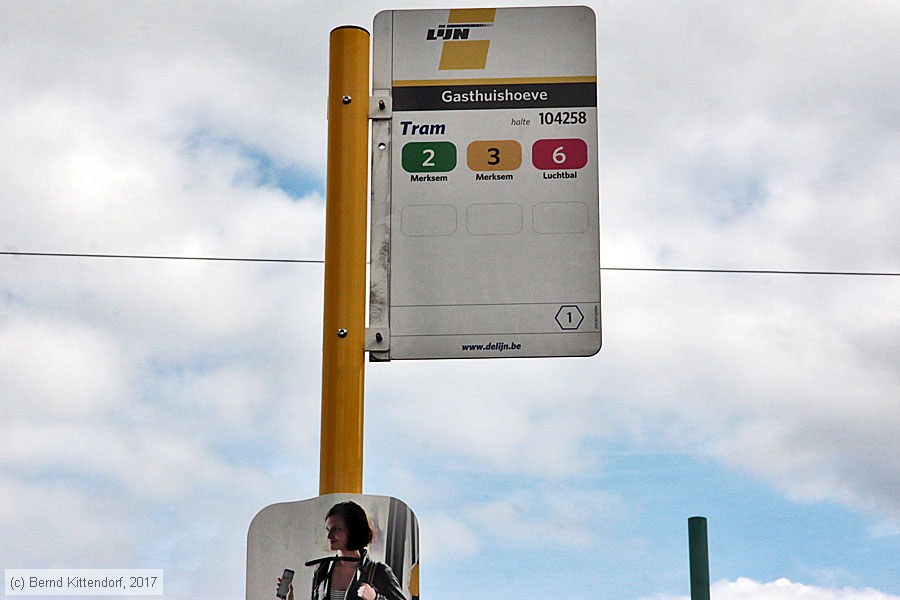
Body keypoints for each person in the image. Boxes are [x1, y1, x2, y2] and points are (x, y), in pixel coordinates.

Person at [277, 501, 405, 600]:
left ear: (353, 529)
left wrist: (376, 598)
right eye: (328, 529)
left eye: (336, 529)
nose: (329, 536)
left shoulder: (379, 572)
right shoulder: (323, 568)